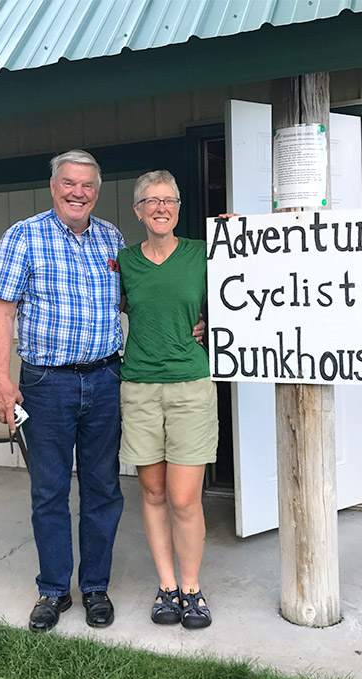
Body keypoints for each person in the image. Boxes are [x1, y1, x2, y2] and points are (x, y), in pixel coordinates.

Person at [0, 149, 126, 633]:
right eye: (69, 183)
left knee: (102, 488)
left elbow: (136, 297)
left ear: (97, 190)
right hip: (46, 384)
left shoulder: (112, 237)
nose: (78, 192)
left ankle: (95, 587)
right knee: (49, 490)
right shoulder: (22, 236)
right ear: (53, 187)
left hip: (106, 377)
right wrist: (2, 380)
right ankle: (52, 590)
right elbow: (3, 311)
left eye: (87, 185)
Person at [117, 170, 216, 629]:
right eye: (150, 200)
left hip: (189, 386)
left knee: (183, 498)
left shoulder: (203, 252)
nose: (161, 207)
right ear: (138, 211)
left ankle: (193, 588)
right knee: (153, 492)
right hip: (138, 387)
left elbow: (252, 275)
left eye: (169, 200)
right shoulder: (124, 262)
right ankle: (167, 587)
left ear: (179, 207)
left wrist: (240, 230)